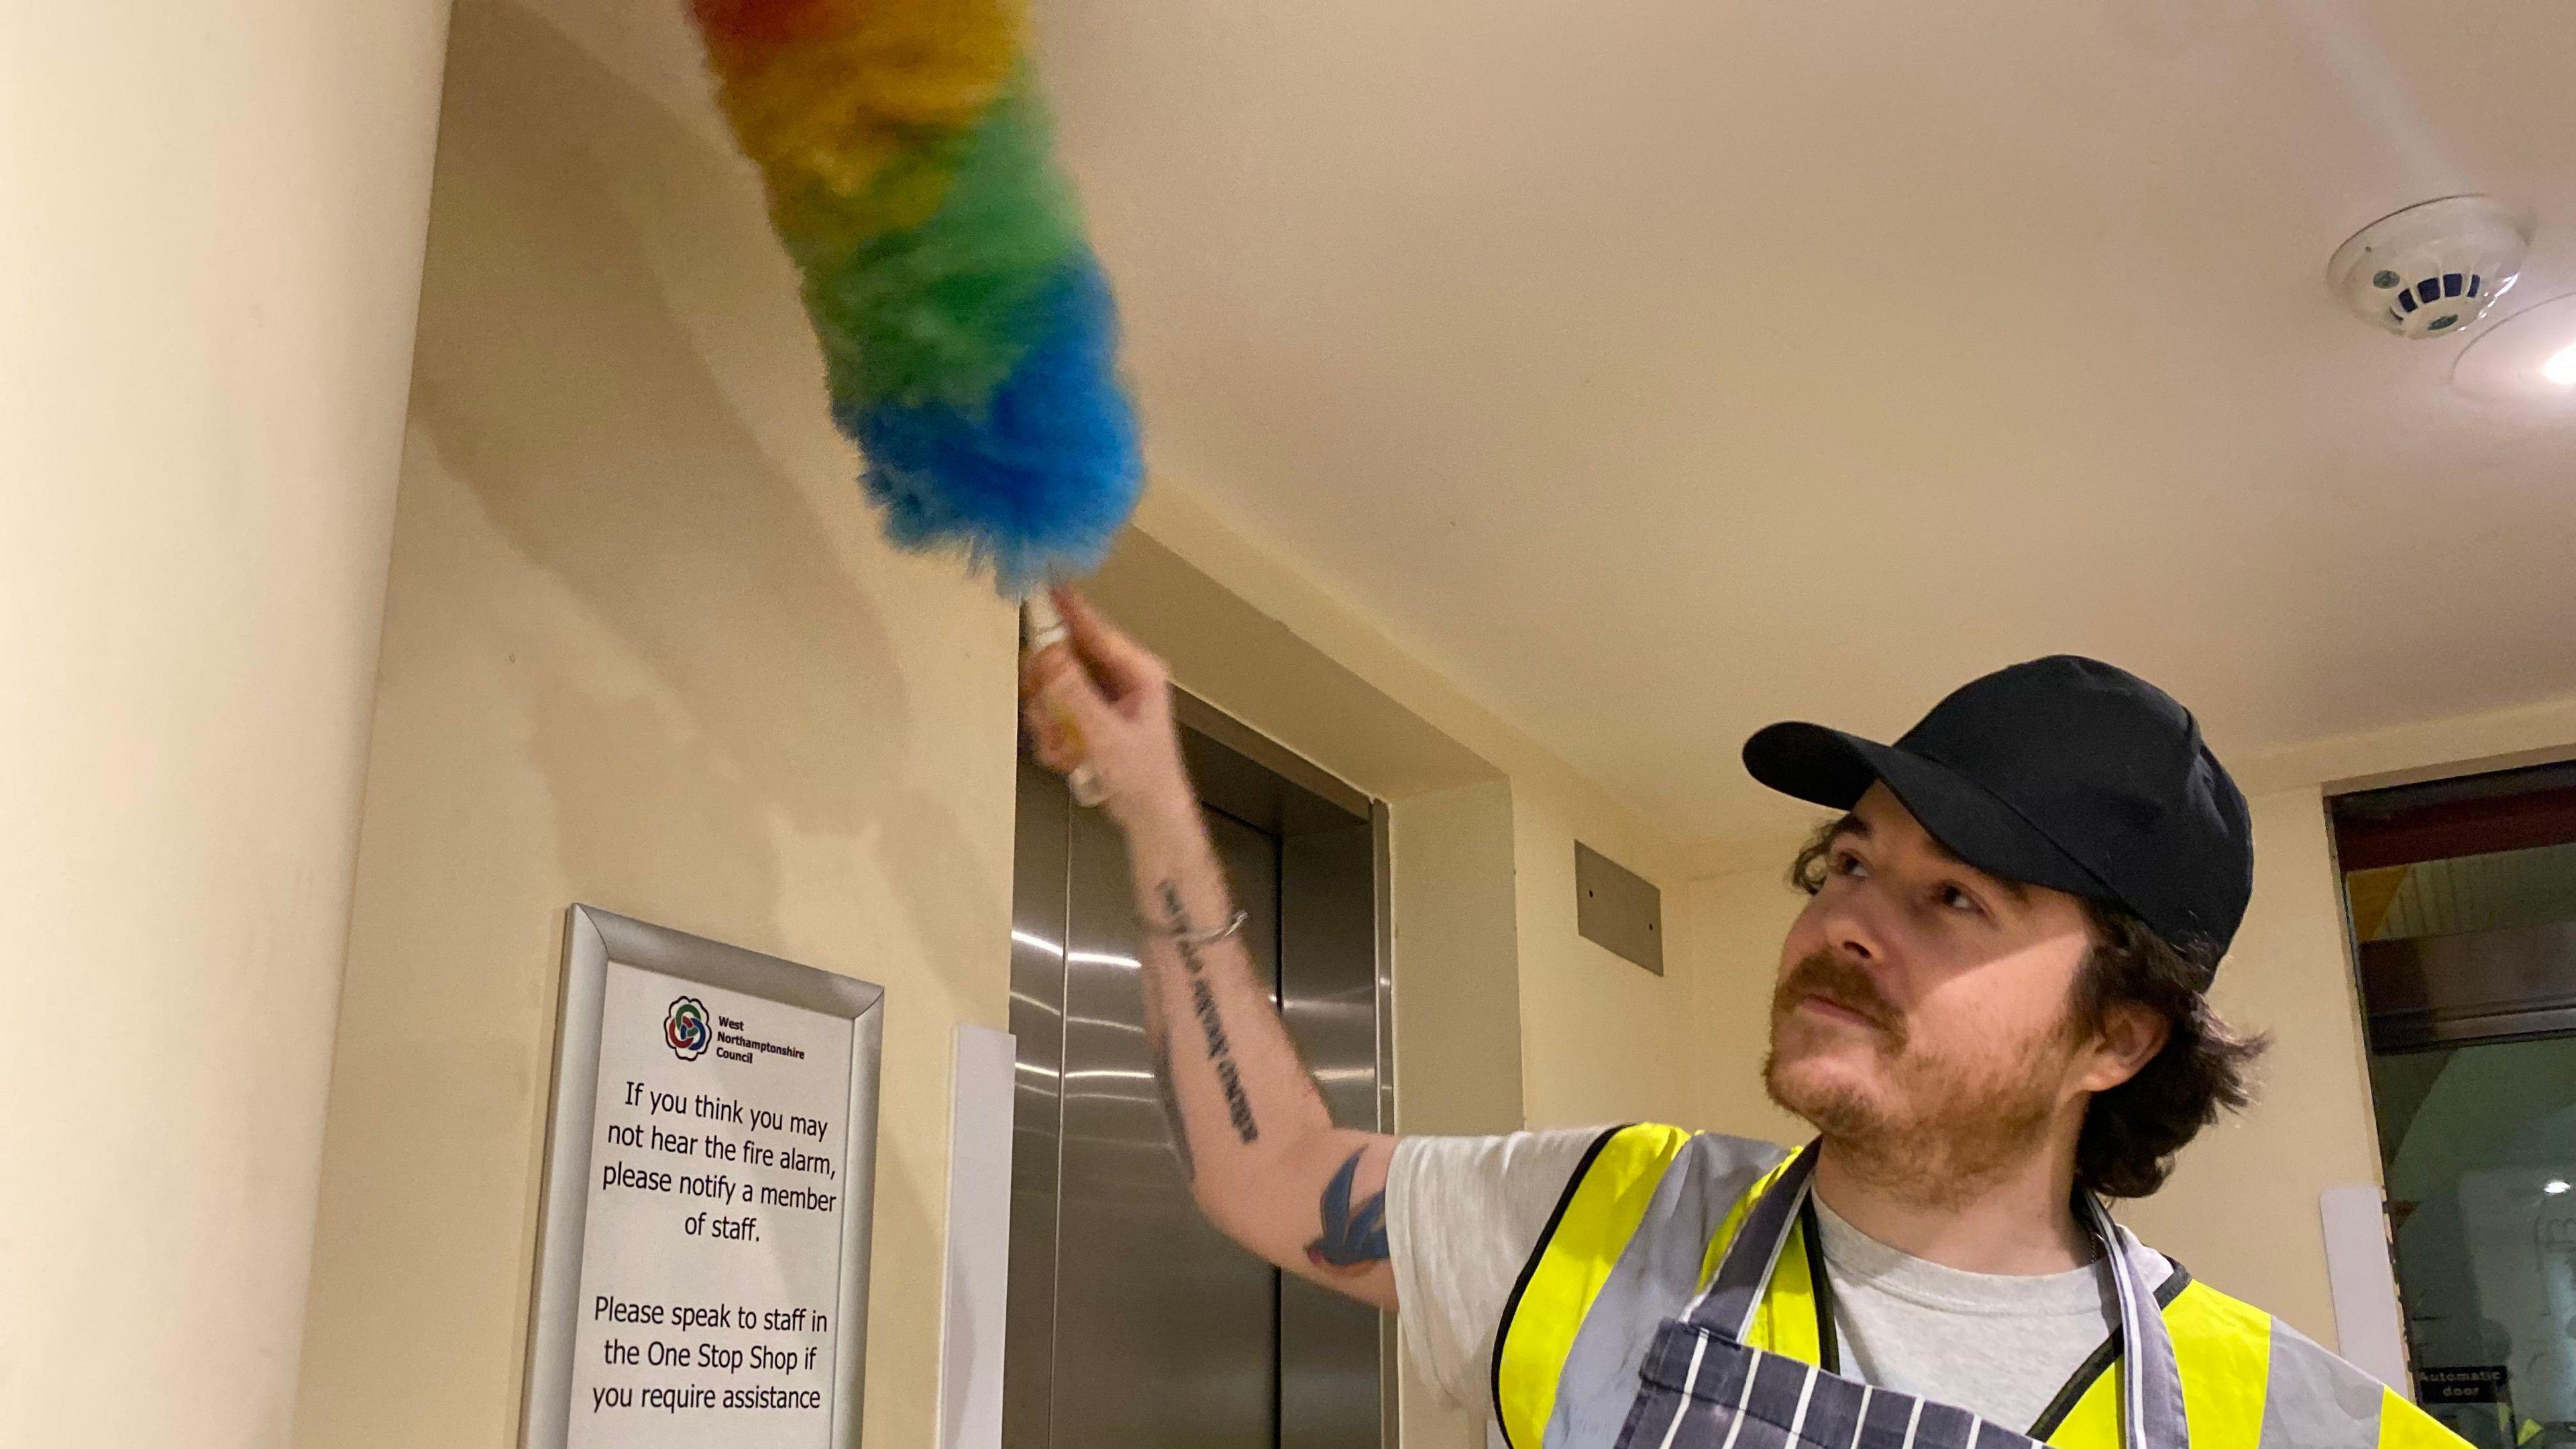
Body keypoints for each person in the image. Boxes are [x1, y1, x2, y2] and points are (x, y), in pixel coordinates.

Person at [1020, 588, 2461, 1449]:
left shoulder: (2281, 1416)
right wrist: (1155, 802)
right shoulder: (1605, 1213)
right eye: (1849, 862)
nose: (1845, 919)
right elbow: (1273, 1177)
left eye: (1954, 900)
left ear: (2117, 1038)